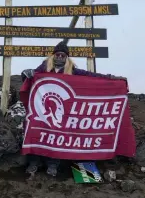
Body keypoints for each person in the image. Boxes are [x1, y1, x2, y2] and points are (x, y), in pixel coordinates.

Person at [21, 41, 126, 177]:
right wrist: (25, 73)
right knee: (36, 134)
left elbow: (91, 76)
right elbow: (29, 79)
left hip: (61, 113)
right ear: (53, 56)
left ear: (67, 58)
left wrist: (112, 79)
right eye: (57, 54)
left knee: (57, 136)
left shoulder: (73, 71)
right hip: (41, 109)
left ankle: (53, 165)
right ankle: (33, 163)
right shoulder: (43, 69)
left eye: (63, 55)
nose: (60, 57)